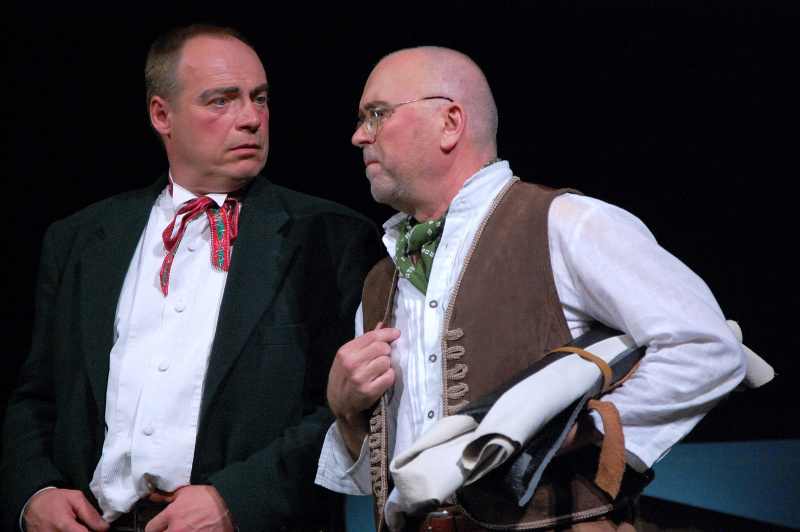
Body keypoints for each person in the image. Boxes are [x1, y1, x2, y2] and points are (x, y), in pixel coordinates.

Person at [315, 46, 747, 531]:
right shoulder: (381, 282)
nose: (359, 135)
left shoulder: (563, 223)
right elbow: (381, 481)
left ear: (450, 123)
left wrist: (585, 429)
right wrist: (346, 411)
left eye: (377, 115)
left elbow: (707, 346)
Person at [0, 24, 383, 532]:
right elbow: (37, 396)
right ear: (162, 115)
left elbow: (342, 410)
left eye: (259, 98)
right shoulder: (80, 239)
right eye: (221, 100)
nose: (251, 118)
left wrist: (236, 501)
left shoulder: (330, 237)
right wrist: (35, 493)